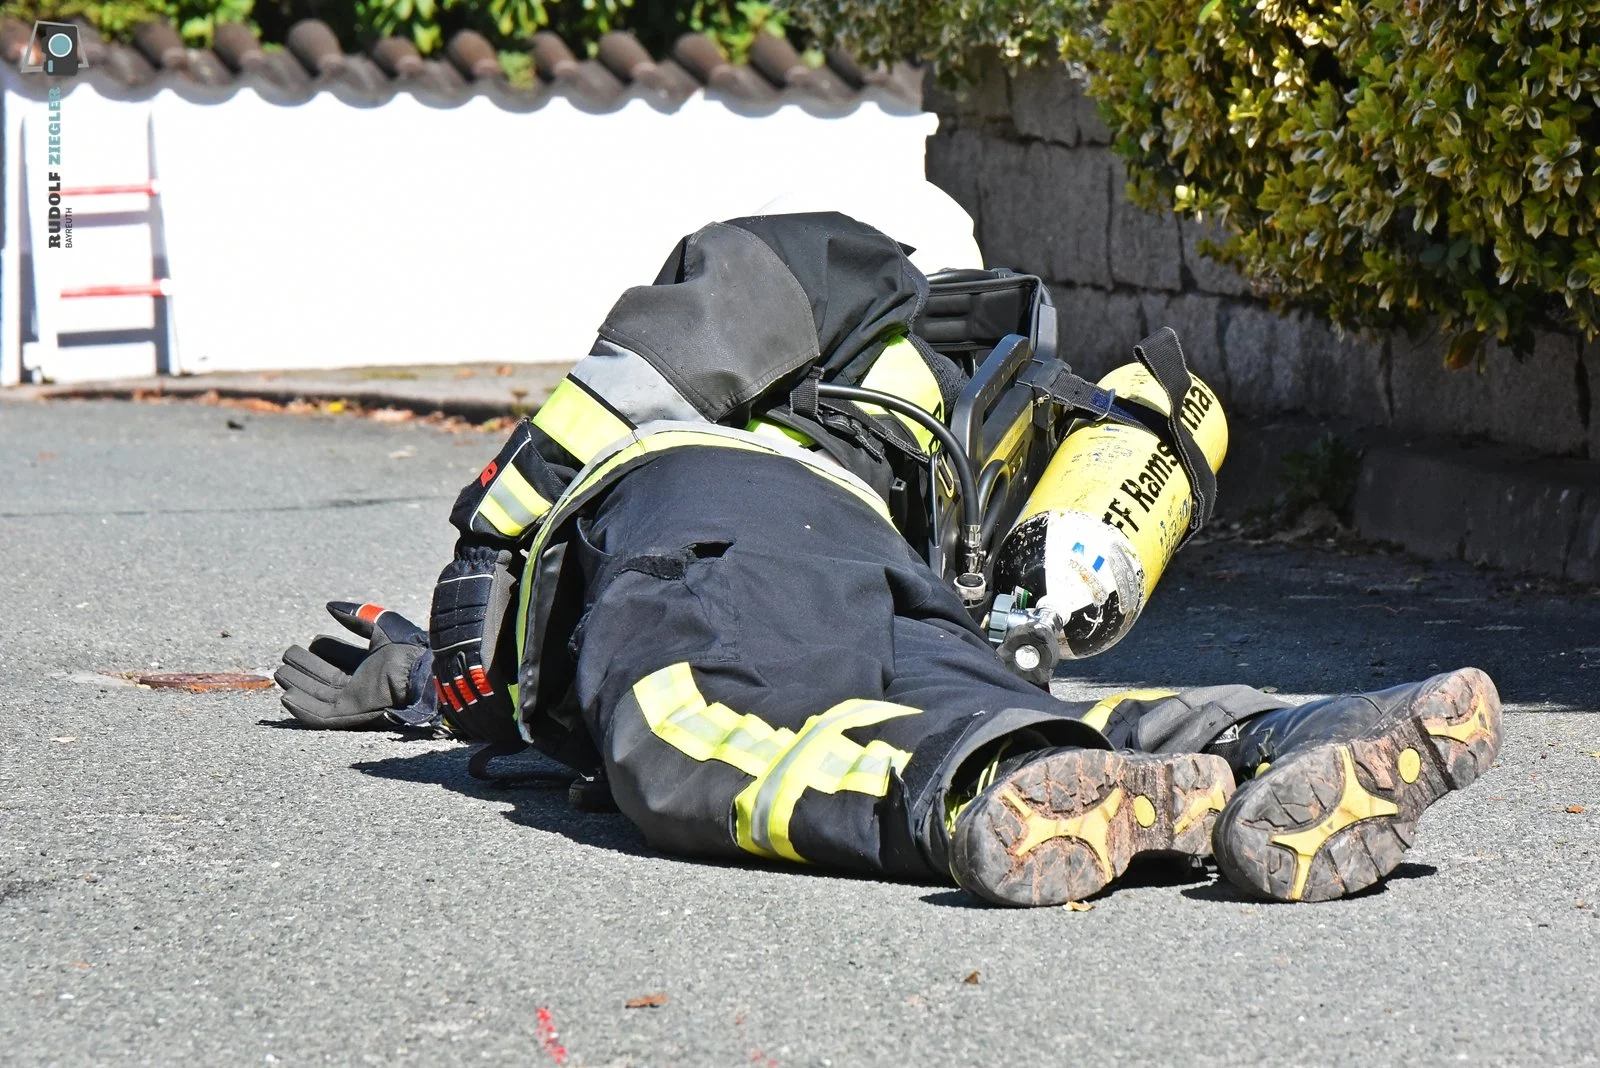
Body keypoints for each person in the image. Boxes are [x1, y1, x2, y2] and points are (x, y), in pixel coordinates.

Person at [275, 191, 1502, 906]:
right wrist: (435, 675)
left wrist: (480, 556)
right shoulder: (946, 453)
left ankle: (973, 793)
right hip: (872, 580)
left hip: (699, 510)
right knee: (981, 710)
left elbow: (654, 363)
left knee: (683, 727)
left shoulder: (828, 289)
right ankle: (1291, 734)